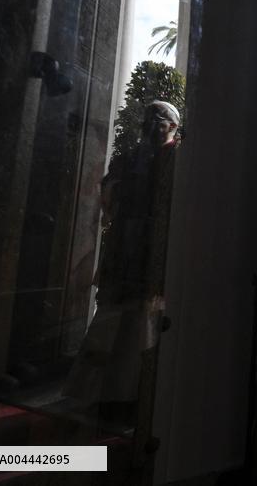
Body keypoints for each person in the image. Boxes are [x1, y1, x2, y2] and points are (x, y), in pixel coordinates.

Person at [64, 100, 181, 423]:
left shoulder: (155, 157)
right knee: (124, 321)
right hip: (134, 250)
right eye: (154, 120)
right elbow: (110, 196)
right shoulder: (142, 157)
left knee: (135, 322)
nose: (157, 126)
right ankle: (113, 395)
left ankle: (120, 395)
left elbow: (110, 197)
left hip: (144, 250)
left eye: (161, 121)